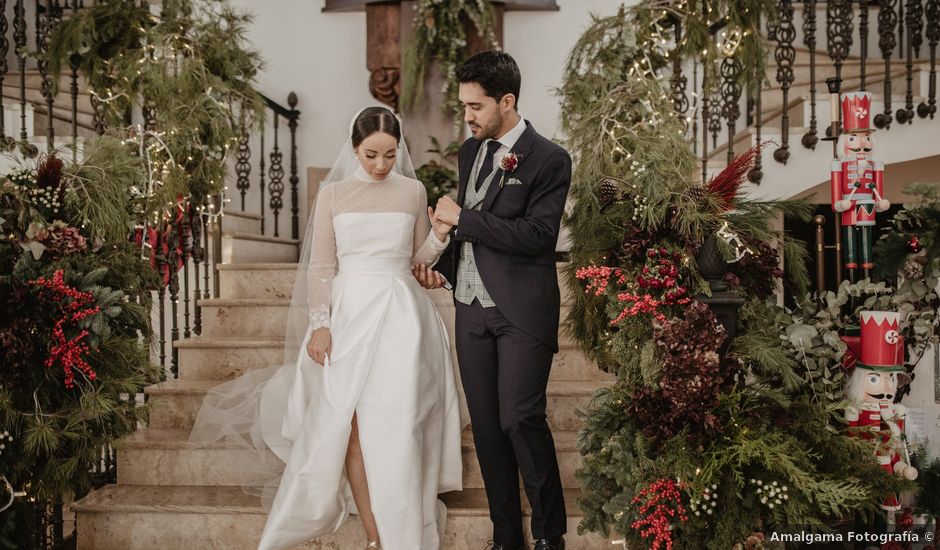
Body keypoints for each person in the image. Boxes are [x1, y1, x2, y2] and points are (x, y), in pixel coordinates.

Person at [190, 106, 463, 550]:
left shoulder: (413, 190)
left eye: (390, 155)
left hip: (401, 317)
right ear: (354, 148)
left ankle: (402, 516)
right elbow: (320, 266)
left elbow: (420, 260)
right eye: (371, 154)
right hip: (348, 313)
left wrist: (440, 231)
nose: (380, 165)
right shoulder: (333, 195)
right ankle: (378, 536)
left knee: (396, 424)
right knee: (348, 425)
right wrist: (321, 325)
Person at [414, 50, 570, 550]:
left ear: (507, 101)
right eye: (463, 105)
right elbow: (471, 226)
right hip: (471, 309)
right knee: (485, 428)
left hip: (521, 309)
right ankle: (507, 537)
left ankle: (549, 536)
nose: (468, 116)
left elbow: (537, 236)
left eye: (476, 106)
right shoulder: (470, 151)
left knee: (519, 418)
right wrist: (443, 267)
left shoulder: (550, 158)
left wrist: (463, 218)